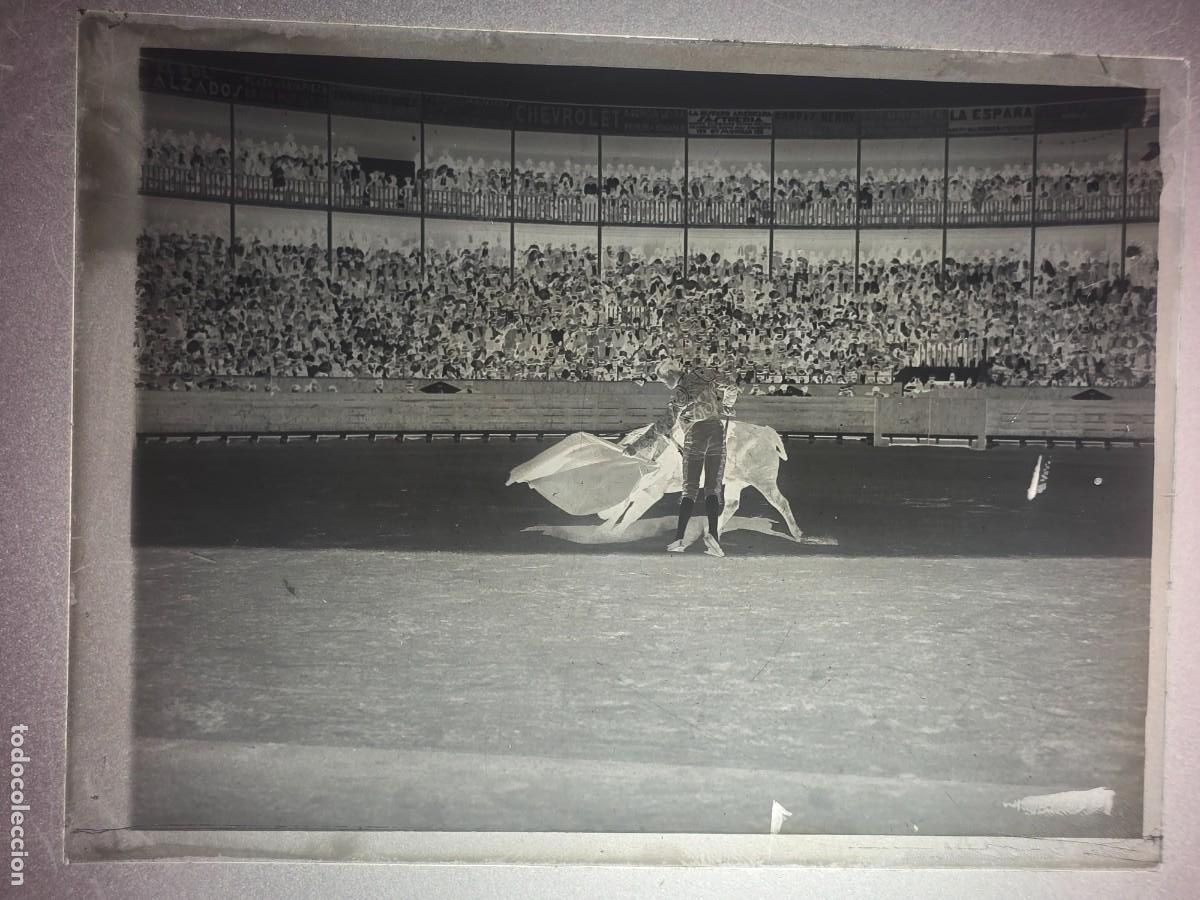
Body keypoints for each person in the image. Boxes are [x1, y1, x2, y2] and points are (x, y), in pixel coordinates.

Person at [624, 359, 738, 556]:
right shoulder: (704, 373)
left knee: (690, 488)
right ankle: (714, 539)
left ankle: (678, 539)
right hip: (717, 430)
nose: (664, 383)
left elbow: (663, 426)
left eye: (663, 379)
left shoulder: (680, 393)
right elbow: (732, 385)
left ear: (670, 375)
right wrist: (727, 405)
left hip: (695, 433)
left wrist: (635, 447)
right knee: (713, 487)